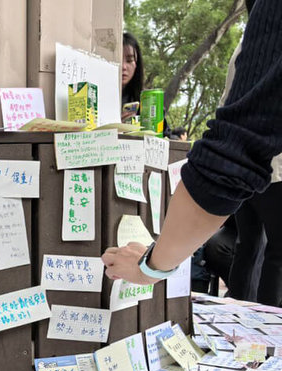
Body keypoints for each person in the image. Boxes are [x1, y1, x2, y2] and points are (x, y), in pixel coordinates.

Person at [102, 0, 282, 303]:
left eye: (131, 59)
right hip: (265, 171)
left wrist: (152, 266)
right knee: (252, 245)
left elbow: (234, 152)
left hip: (265, 170)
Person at [121, 32, 143, 123]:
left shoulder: (145, 99)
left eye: (129, 60)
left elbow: (167, 134)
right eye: (118, 60)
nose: (123, 67)